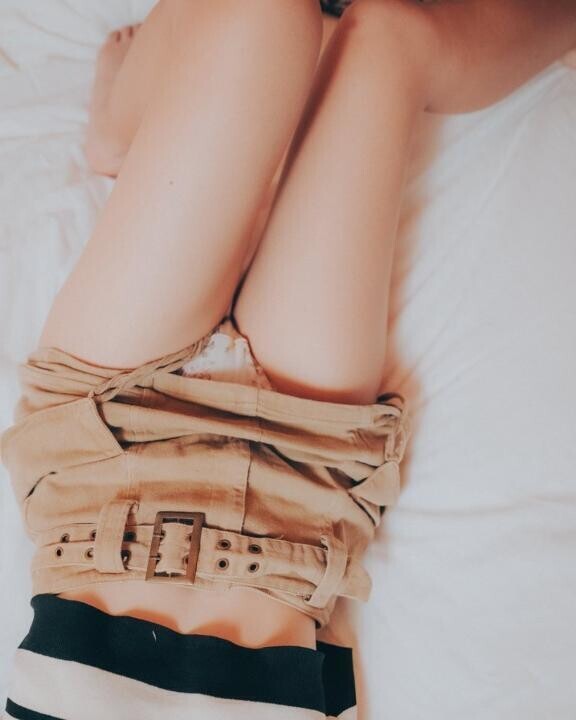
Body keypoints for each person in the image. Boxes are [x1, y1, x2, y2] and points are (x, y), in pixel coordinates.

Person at [2, 1, 576, 717]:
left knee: (263, 11)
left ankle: (116, 134)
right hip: (293, 493)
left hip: (104, 455)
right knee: (389, 35)